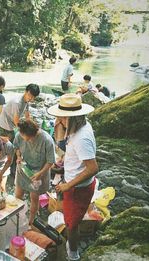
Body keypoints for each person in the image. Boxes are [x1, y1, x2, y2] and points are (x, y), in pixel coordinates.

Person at [47, 93, 98, 261]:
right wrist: (64, 157)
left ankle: (73, 253)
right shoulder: (79, 125)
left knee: (71, 224)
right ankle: (73, 247)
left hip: (78, 188)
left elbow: (93, 168)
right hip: (73, 182)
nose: (57, 120)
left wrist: (68, 186)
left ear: (70, 117)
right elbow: (64, 146)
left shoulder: (81, 137)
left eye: (60, 117)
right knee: (71, 218)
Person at [14, 119, 55, 225]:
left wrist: (40, 173)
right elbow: (17, 147)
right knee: (18, 194)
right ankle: (14, 219)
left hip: (39, 173)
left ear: (34, 134)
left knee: (34, 197)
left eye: (29, 139)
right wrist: (18, 156)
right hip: (23, 169)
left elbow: (50, 162)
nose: (26, 140)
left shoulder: (46, 140)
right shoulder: (20, 134)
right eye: (24, 138)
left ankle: (31, 221)